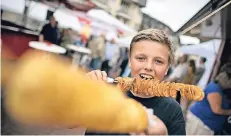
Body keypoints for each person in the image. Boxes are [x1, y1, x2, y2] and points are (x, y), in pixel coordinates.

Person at [85, 29, 186, 135]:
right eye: (141, 58)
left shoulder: (172, 111)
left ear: (167, 69)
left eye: (158, 61)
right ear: (129, 61)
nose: (148, 67)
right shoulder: (105, 90)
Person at [186, 70, 231, 135]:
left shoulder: (219, 89)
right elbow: (216, 110)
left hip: (203, 124)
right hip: (200, 123)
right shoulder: (215, 88)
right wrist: (229, 112)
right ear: (226, 79)